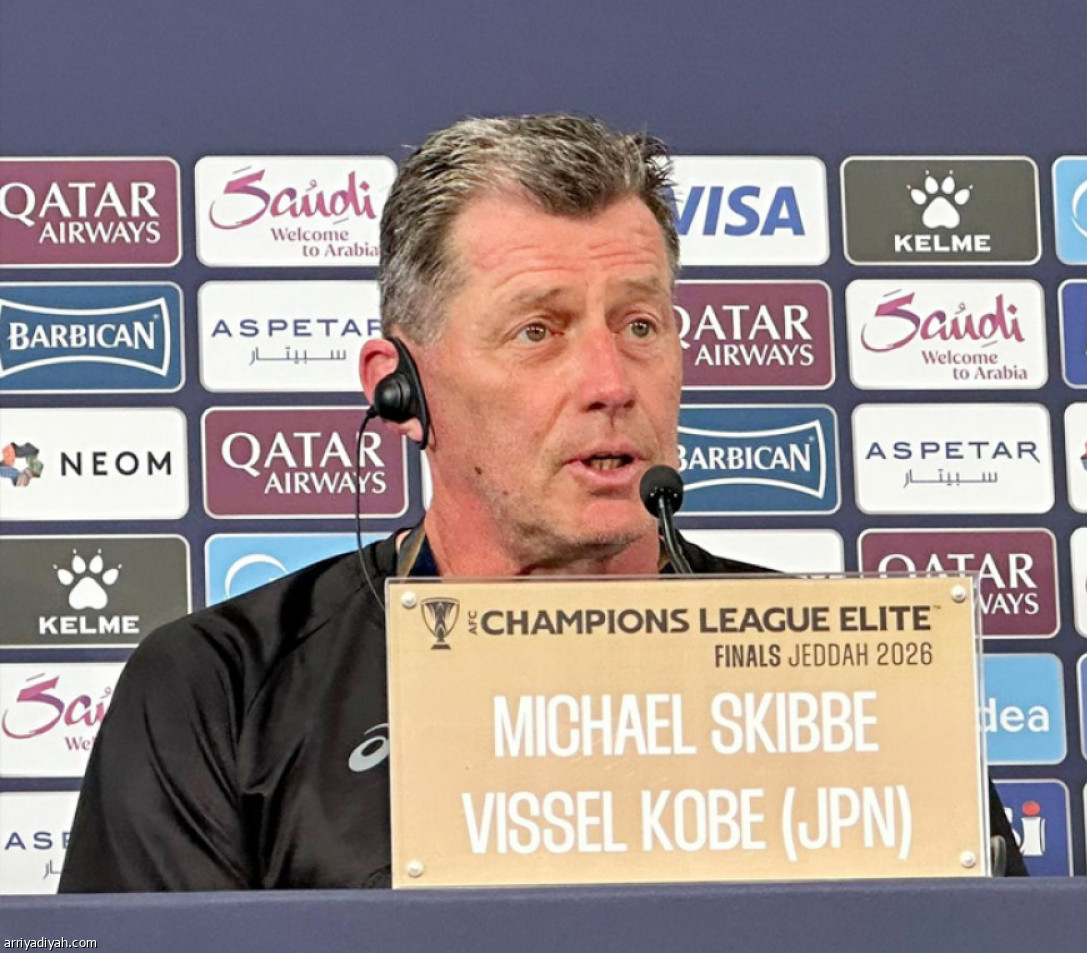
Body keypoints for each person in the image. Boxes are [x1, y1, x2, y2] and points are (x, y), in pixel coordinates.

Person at [60, 115, 1024, 890]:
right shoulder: (221, 690)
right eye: (538, 331)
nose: (610, 381)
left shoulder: (853, 677)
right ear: (402, 389)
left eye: (639, 324)